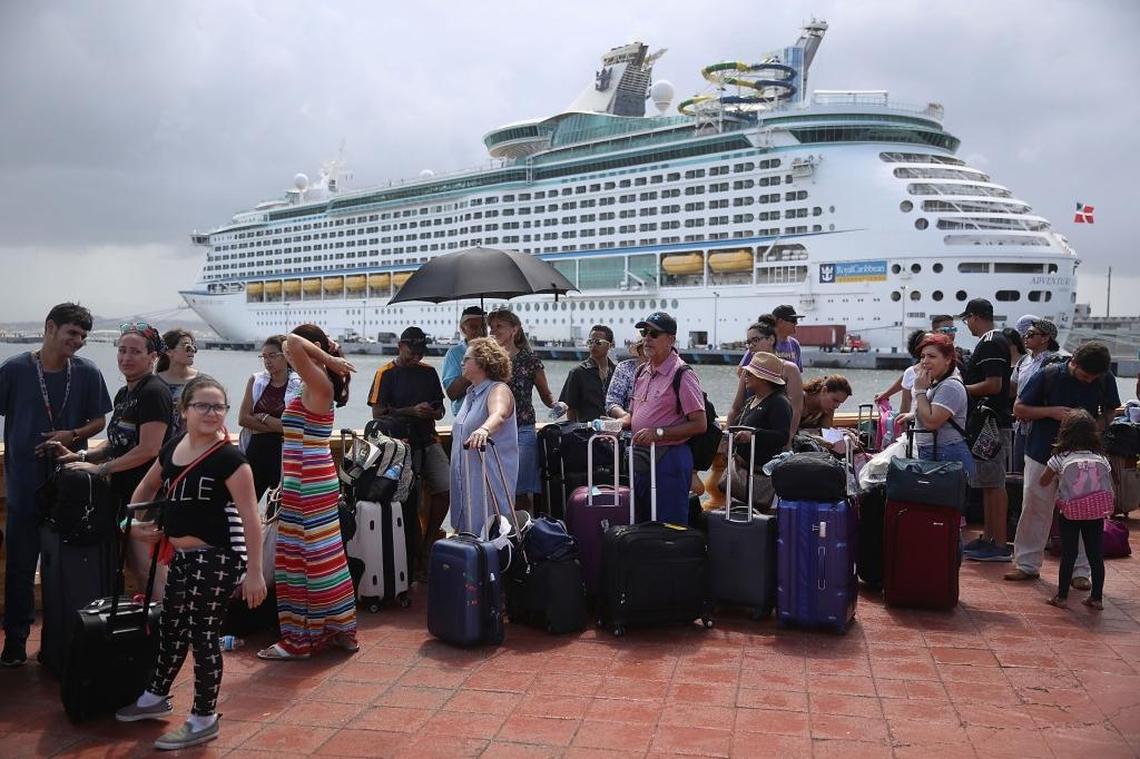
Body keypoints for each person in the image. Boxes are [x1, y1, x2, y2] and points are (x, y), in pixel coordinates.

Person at [113, 375, 266, 750]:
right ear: (184, 411)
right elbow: (145, 490)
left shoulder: (231, 460)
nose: (211, 413)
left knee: (203, 635)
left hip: (218, 557)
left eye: (218, 406)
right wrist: (132, 525)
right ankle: (155, 695)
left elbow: (251, 519)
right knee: (170, 626)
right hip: (180, 555)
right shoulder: (173, 448)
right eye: (202, 405)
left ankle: (203, 717)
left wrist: (254, 573)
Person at [0, 303, 111, 667]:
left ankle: (67, 640)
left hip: (70, 488)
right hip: (24, 485)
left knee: (69, 564)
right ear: (50, 328)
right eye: (71, 333)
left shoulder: (87, 372)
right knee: (19, 564)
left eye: (82, 336)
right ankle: (16, 640)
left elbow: (98, 421)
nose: (77, 342)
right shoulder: (15, 369)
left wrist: (73, 434)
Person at [258, 324, 358, 660]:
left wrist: (325, 355)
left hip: (307, 480)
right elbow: (293, 344)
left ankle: (299, 639)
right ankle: (339, 627)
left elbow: (293, 342)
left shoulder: (319, 382)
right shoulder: (316, 383)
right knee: (325, 557)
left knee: (302, 558)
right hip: (311, 476)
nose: (286, 354)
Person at [60, 322, 173, 596]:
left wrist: (101, 470)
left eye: (135, 351)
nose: (126, 358)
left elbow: (149, 448)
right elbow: (118, 441)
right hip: (125, 494)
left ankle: (170, 635)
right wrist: (82, 455)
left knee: (151, 572)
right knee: (136, 569)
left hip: (148, 498)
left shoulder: (154, 392)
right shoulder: (126, 393)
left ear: (152, 357)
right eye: (122, 350)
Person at [1006, 341, 1119, 585]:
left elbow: (1110, 410)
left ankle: (1081, 571)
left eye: (1093, 377)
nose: (1088, 380)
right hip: (1041, 451)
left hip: (1084, 456)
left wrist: (1095, 426)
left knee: (1085, 511)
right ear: (1073, 363)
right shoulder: (1048, 375)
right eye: (1084, 375)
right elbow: (1019, 408)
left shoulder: (1104, 378)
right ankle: (1027, 563)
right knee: (1035, 507)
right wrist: (1051, 412)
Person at [616, 311, 707, 525]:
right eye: (644, 332)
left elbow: (699, 423)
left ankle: (672, 558)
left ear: (671, 339)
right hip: (642, 456)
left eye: (654, 334)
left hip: (670, 458)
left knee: (670, 524)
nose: (647, 338)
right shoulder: (641, 372)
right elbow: (634, 414)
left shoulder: (682, 375)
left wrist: (658, 433)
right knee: (643, 520)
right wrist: (618, 423)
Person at [368, 326, 449, 566]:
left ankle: (429, 541)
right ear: (400, 347)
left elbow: (441, 410)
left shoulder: (429, 372)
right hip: (398, 444)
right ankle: (411, 553)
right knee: (407, 499)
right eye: (411, 352)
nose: (416, 357)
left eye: (420, 352)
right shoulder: (385, 373)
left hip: (428, 439)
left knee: (445, 489)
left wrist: (432, 412)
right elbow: (377, 413)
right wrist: (411, 411)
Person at [958, 298, 1014, 562]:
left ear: (975, 316)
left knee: (994, 482)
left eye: (967, 319)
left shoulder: (991, 342)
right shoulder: (995, 339)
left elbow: (994, 384)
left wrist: (960, 389)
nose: (967, 324)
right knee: (989, 482)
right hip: (989, 422)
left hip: (991, 423)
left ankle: (999, 542)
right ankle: (990, 536)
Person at [1040, 409, 1112, 611]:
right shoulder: (1101, 457)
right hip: (1095, 512)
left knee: (1069, 554)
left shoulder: (1060, 456)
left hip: (1070, 512)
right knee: (1095, 555)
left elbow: (1043, 481)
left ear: (1065, 432)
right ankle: (1096, 598)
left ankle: (1061, 597)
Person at [487, 308, 555, 510]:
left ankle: (521, 535)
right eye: (491, 327)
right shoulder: (489, 362)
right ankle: (497, 535)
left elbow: (545, 394)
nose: (493, 331)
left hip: (522, 430)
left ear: (514, 330)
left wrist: (557, 405)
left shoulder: (529, 360)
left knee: (520, 491)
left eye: (499, 326)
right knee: (494, 489)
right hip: (494, 432)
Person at [450, 337, 519, 532]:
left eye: (467, 358)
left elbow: (499, 413)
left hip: (487, 484)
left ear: (483, 361)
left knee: (489, 533)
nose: (462, 362)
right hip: (466, 482)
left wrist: (484, 429)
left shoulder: (498, 389)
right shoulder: (470, 394)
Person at [720, 353, 793, 510]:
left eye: (750, 373)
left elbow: (782, 436)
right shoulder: (751, 400)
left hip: (759, 476)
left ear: (764, 379)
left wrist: (753, 435)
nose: (745, 376)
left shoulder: (779, 403)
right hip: (741, 472)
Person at [237, 335, 300, 499]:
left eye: (272, 356)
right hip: (257, 449)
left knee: (281, 505)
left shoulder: (299, 384)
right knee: (245, 501)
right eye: (264, 357)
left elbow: (294, 427)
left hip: (285, 452)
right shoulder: (256, 380)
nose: (267, 361)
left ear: (286, 356)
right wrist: (279, 426)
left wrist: (263, 417)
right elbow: (243, 418)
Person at [906, 333, 976, 481]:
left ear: (948, 359)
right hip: (935, 452)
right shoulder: (937, 382)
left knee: (945, 503)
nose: (925, 361)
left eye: (931, 356)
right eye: (923, 356)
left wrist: (919, 390)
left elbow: (932, 422)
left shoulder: (950, 386)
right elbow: (931, 410)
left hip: (947, 454)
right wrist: (913, 415)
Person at [1010, 319, 1060, 473]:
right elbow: (1013, 387)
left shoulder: (1055, 363)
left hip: (1043, 427)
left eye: (1031, 334)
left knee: (1040, 471)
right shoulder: (1024, 361)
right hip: (1021, 425)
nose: (1025, 336)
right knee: (1019, 470)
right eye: (1025, 334)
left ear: (1045, 338)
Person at [558, 324, 615, 421]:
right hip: (587, 432)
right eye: (590, 342)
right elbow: (570, 408)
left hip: (615, 430)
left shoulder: (617, 372)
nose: (593, 346)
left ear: (611, 345)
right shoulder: (577, 372)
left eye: (598, 342)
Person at [441, 306, 487, 415]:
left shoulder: (496, 352)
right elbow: (452, 393)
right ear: (463, 328)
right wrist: (476, 368)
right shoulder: (454, 353)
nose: (480, 331)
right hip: (465, 416)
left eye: (483, 327)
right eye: (473, 327)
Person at [155, 329, 200, 437]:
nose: (192, 350)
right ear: (169, 351)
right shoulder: (154, 384)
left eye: (193, 346)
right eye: (186, 346)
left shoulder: (202, 383)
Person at [873, 330, 928, 415]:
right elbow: (905, 406)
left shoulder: (946, 370)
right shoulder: (911, 372)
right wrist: (887, 394)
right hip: (918, 424)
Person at [605, 339, 645, 417]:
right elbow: (612, 402)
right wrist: (626, 417)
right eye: (644, 348)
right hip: (626, 422)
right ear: (638, 351)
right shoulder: (625, 368)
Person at [771, 305, 803, 370]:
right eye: (793, 320)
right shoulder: (762, 343)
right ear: (780, 321)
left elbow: (798, 373)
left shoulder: (795, 344)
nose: (796, 323)